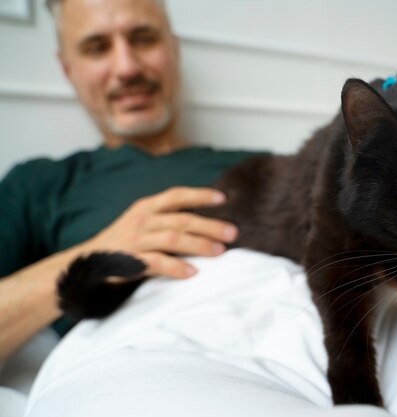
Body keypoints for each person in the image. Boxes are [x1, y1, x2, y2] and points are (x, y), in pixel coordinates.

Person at [0, 0, 258, 361]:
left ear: (173, 48)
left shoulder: (259, 165)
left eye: (144, 38)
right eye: (97, 47)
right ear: (67, 69)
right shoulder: (38, 184)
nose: (127, 67)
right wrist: (94, 259)